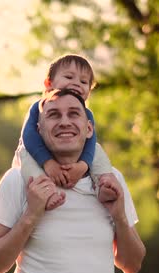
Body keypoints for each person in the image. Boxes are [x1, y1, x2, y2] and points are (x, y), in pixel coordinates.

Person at [0, 88, 146, 273]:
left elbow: (132, 265)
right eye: (54, 115)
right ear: (39, 129)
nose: (64, 121)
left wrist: (120, 217)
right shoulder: (17, 181)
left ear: (89, 129)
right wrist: (31, 216)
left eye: (74, 113)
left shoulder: (111, 181)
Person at [12, 54, 118, 210]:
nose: (76, 84)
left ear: (89, 90)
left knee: (98, 150)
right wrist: (48, 163)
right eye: (69, 77)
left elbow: (90, 143)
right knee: (24, 153)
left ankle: (104, 185)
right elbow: (29, 137)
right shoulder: (39, 107)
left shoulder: (86, 114)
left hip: (72, 159)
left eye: (83, 82)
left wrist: (83, 165)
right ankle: (45, 193)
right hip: (35, 155)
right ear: (49, 83)